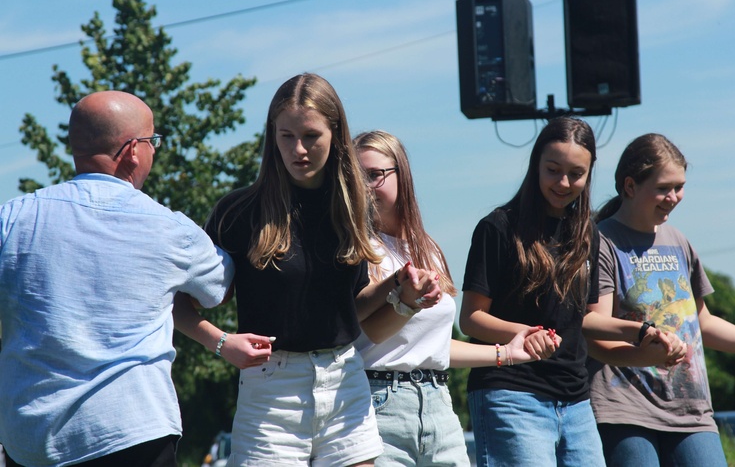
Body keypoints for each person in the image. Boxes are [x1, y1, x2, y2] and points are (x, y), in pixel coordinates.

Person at [172, 73, 441, 467]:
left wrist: (398, 289)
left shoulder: (353, 207)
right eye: (286, 136)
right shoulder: (238, 212)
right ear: (272, 136)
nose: (298, 149)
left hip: (346, 381)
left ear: (335, 133)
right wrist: (220, 342)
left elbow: (350, 308)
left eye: (311, 136)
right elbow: (178, 304)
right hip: (271, 390)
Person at [0, 91, 235, 467]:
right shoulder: (168, 228)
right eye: (153, 141)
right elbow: (219, 291)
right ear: (133, 150)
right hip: (130, 432)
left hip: (30, 440)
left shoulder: (12, 219)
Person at [458, 117, 680, 467]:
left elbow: (588, 320)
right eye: (553, 170)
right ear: (535, 166)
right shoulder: (498, 228)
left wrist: (643, 332)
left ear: (589, 175)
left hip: (576, 401)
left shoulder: (586, 234)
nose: (563, 182)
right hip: (510, 393)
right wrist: (524, 335)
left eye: (576, 173)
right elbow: (471, 318)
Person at [352, 130, 561, 467]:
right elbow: (369, 334)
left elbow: (433, 347)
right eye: (354, 176)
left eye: (374, 175)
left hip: (439, 405)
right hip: (377, 405)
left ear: (401, 176)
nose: (364, 186)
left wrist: (507, 352)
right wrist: (407, 300)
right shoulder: (355, 250)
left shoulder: (428, 248)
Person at [588, 133, 735, 466]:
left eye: (680, 186)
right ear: (630, 186)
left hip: (690, 410)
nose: (674, 197)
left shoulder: (679, 242)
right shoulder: (601, 242)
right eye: (663, 188)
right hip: (625, 410)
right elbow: (594, 330)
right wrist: (645, 346)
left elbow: (702, 323)